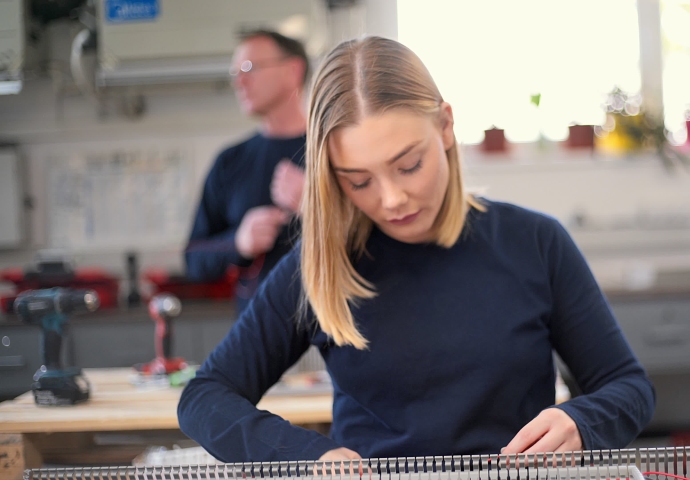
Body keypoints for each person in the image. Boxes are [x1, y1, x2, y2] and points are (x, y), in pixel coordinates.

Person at [178, 36, 655, 462]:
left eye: (408, 165)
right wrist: (306, 456)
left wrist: (581, 422)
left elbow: (629, 387)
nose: (391, 199)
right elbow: (204, 398)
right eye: (358, 181)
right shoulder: (319, 265)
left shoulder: (535, 242)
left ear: (445, 127)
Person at [184, 30, 310, 314]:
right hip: (260, 341)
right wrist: (237, 242)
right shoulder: (230, 162)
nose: (239, 82)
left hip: (331, 336)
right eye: (235, 73)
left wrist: (314, 205)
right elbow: (193, 259)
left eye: (250, 68)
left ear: (293, 70)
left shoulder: (337, 152)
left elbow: (376, 244)